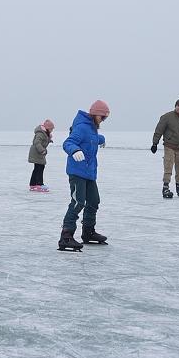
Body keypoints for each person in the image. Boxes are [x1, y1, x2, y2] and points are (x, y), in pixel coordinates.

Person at [58, 100, 110, 251]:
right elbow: (68, 142)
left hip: (89, 172)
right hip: (77, 172)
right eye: (102, 117)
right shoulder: (81, 127)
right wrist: (74, 150)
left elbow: (92, 138)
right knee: (78, 202)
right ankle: (66, 236)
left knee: (94, 201)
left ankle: (88, 232)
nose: (103, 120)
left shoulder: (92, 128)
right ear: (95, 114)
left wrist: (102, 139)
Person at [151, 98, 179, 198]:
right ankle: (165, 188)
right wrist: (155, 144)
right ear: (175, 106)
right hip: (169, 146)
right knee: (168, 167)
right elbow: (159, 130)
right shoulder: (167, 117)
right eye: (178, 105)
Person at [28, 119, 55, 192]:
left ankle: (33, 184)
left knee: (38, 168)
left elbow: (43, 140)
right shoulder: (40, 133)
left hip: (38, 153)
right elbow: (37, 142)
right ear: (47, 128)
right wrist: (42, 150)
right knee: (39, 167)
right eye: (51, 129)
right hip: (37, 152)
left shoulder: (44, 133)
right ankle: (39, 184)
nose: (52, 130)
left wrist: (49, 140)